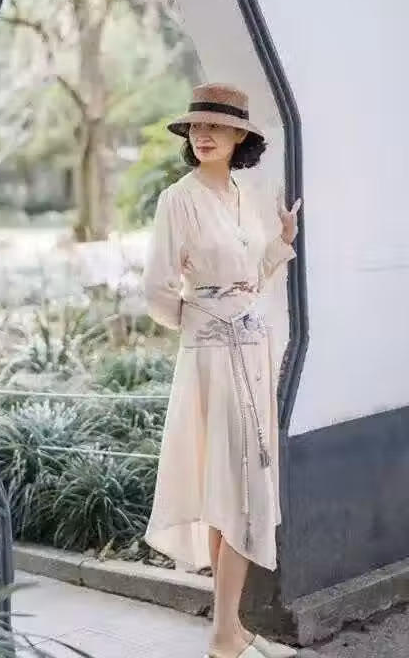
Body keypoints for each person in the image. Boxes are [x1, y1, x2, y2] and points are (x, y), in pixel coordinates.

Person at [143, 84, 301, 658]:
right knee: (235, 486)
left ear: (239, 135)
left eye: (215, 126)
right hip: (211, 358)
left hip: (255, 352)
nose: (203, 134)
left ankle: (228, 629)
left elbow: (253, 278)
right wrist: (204, 324)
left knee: (237, 485)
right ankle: (224, 635)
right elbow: (158, 289)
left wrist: (281, 242)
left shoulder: (247, 196)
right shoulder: (177, 200)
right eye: (196, 126)